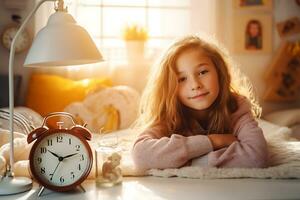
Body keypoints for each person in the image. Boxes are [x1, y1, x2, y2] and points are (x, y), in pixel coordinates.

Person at [131, 35, 268, 171]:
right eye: (182, 79)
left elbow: (256, 156)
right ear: (170, 87)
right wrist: (214, 141)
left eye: (202, 72)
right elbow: (140, 155)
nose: (195, 85)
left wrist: (182, 160)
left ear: (220, 73)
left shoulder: (236, 106)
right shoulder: (170, 113)